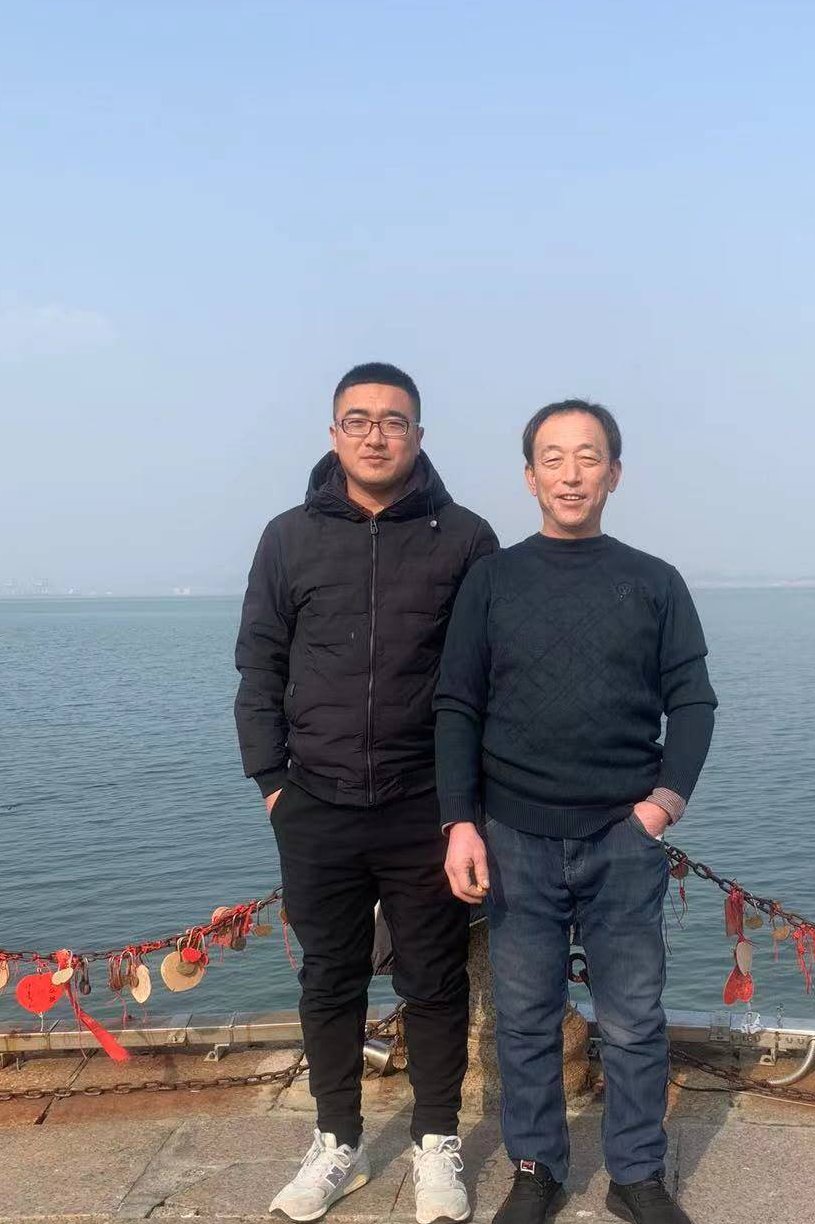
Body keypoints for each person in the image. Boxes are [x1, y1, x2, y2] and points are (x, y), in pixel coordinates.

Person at [434, 400, 716, 1224]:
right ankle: (536, 1171)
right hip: (513, 834)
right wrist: (460, 821)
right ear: (529, 477)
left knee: (633, 1021)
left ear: (614, 473)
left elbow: (692, 701)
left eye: (587, 457)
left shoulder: (655, 581)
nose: (570, 474)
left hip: (622, 837)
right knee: (524, 1020)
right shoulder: (492, 580)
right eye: (552, 459)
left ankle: (637, 1176)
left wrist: (661, 806)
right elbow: (457, 705)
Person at [235, 362, 497, 1223]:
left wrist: (469, 805)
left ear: (419, 435)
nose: (376, 435)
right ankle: (336, 1141)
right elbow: (259, 667)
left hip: (427, 803)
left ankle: (437, 1143)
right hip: (315, 801)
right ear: (333, 433)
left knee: (434, 979)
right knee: (330, 978)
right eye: (359, 419)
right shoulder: (288, 537)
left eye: (393, 421)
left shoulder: (465, 538)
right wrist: (274, 786)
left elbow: (487, 676)